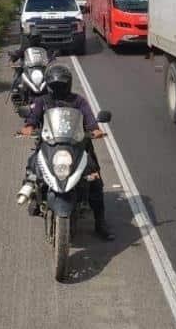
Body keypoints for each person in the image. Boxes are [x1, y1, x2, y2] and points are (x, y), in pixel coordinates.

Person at [17, 65, 115, 241]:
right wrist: (29, 126)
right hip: (49, 145)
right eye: (55, 86)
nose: (58, 89)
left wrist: (94, 129)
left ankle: (100, 223)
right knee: (32, 165)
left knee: (95, 179)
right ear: (49, 85)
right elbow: (33, 117)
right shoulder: (43, 101)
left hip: (77, 145)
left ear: (68, 84)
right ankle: (34, 195)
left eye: (61, 85)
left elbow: (90, 119)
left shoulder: (78, 101)